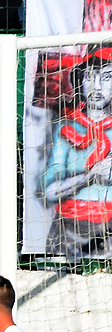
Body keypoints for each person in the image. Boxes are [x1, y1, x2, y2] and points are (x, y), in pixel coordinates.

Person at [42, 48, 112, 260]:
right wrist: (89, 177)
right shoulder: (66, 127)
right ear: (79, 81)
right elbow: (50, 191)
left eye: (107, 77)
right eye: (89, 76)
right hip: (69, 230)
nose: (96, 86)